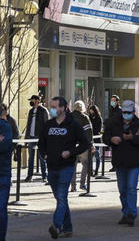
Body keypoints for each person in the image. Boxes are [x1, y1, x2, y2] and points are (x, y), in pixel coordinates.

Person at [38, 97, 89, 239]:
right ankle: (68, 227)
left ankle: (56, 226)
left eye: (55, 107)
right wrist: (44, 155)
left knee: (61, 197)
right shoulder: (48, 125)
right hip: (52, 167)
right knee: (61, 199)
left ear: (63, 108)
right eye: (51, 107)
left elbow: (85, 143)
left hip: (66, 167)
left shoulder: (73, 125)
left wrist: (71, 152)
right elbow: (41, 142)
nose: (52, 109)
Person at [103, 100, 139, 227]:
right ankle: (125, 212)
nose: (126, 115)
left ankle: (131, 214)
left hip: (134, 162)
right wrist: (112, 139)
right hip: (119, 161)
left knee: (131, 188)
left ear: (133, 112)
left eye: (129, 113)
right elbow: (105, 137)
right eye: (124, 112)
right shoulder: (113, 123)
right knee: (122, 189)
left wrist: (133, 138)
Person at [25, 95, 49, 182]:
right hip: (31, 137)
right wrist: (26, 138)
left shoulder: (43, 110)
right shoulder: (31, 111)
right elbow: (28, 125)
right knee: (30, 157)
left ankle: (44, 176)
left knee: (42, 157)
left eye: (32, 100)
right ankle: (29, 175)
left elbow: (47, 125)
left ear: (38, 101)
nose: (31, 101)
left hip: (40, 138)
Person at [71, 100, 93, 191]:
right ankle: (82, 184)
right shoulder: (85, 117)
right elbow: (89, 132)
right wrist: (90, 144)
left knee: (73, 166)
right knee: (86, 164)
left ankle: (73, 186)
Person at [0, 104, 13, 241]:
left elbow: (3, 146)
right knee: (2, 208)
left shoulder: (6, 127)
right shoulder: (6, 127)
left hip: (3, 171)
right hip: (4, 172)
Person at [108, 94, 122, 172]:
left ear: (117, 101)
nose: (112, 102)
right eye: (111, 100)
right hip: (112, 132)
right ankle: (114, 165)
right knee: (113, 150)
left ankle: (118, 165)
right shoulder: (111, 110)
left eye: (113, 100)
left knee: (118, 150)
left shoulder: (120, 110)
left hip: (118, 132)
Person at [89, 105, 103, 176]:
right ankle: (91, 171)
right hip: (91, 138)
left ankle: (96, 170)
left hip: (97, 139)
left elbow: (99, 129)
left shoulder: (99, 118)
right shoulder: (89, 118)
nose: (91, 112)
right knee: (90, 156)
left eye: (92, 110)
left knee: (97, 155)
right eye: (90, 111)